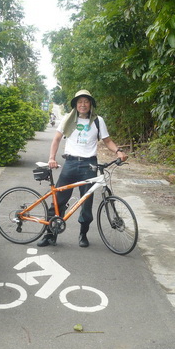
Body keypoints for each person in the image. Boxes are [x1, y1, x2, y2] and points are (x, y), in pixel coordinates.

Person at [37, 89, 128, 248]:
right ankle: (50, 234)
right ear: (75, 104)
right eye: (80, 102)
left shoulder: (98, 121)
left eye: (86, 101)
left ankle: (83, 234)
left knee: (86, 204)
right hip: (70, 163)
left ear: (90, 104)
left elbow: (107, 140)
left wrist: (118, 151)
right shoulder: (68, 119)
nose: (83, 104)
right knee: (58, 200)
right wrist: (51, 158)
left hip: (89, 165)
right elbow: (57, 139)